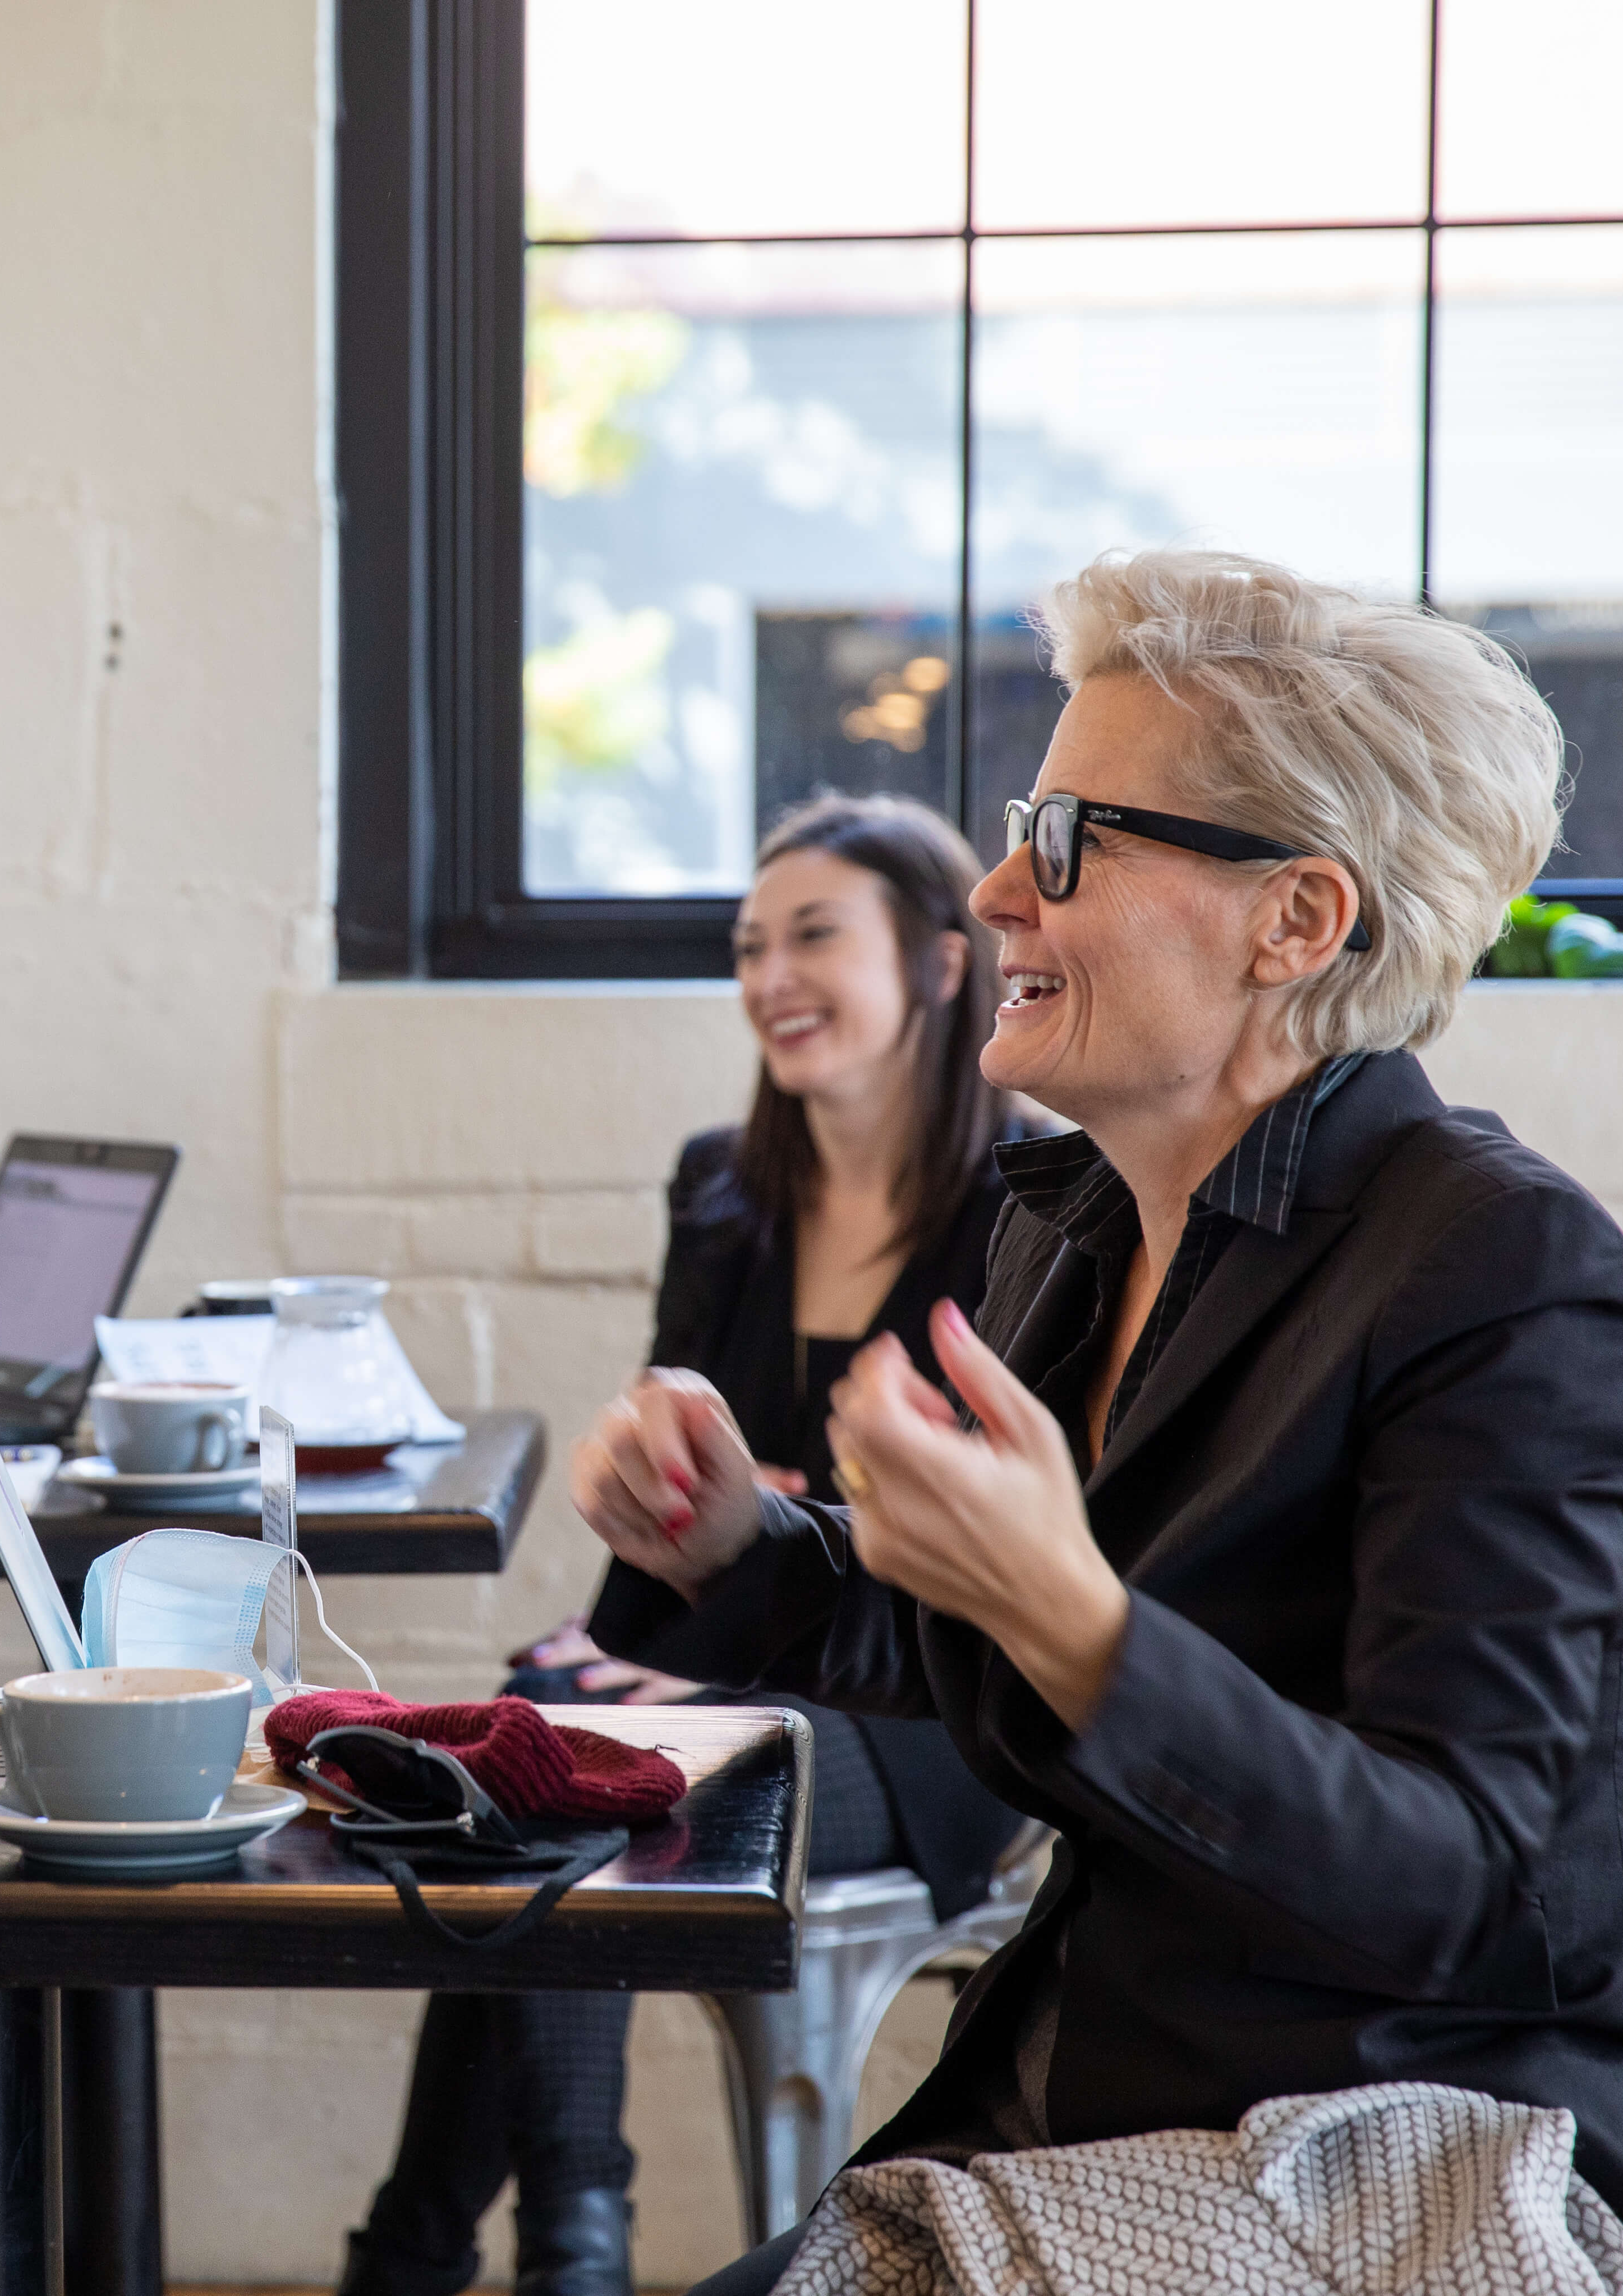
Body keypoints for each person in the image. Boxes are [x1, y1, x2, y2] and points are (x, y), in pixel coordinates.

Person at [573, 550, 1623, 2296]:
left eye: (1068, 838)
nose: (998, 890)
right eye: (1021, 822)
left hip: (1428, 2147)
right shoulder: (1065, 1228)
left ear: (1292, 922)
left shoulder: (1508, 1276)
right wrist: (736, 1548)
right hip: (1113, 2106)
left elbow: (1481, 1900)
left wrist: (1070, 1613)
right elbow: (964, 1636)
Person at [338, 797, 1030, 2296]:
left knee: (545, 1796)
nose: (769, 975)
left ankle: (488, 2251)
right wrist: (633, 1614)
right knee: (514, 1769)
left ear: (935, 961)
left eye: (811, 936)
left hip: (925, 1707)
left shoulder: (1036, 1200)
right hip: (722, 1659)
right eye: (745, 947)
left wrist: (776, 1518)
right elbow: (675, 1482)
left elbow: (993, 1539)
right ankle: (528, 2245)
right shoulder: (721, 1184)